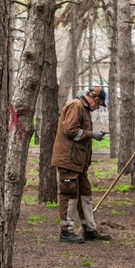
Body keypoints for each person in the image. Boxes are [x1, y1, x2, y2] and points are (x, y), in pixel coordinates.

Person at [51, 86, 112, 244]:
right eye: (99, 105)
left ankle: (89, 230)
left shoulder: (84, 109)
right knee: (69, 194)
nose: (98, 108)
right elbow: (70, 131)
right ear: (96, 100)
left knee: (85, 194)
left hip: (78, 163)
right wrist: (93, 135)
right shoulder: (76, 106)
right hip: (69, 161)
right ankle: (66, 231)